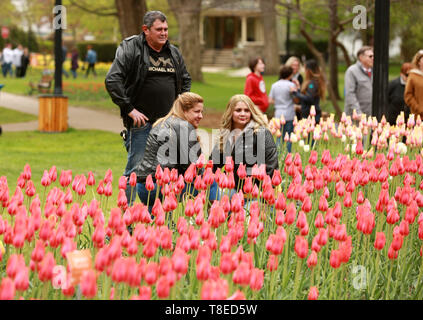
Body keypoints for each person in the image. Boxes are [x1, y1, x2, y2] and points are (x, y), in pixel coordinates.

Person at [105, 10, 191, 205]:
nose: (163, 33)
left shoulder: (173, 52)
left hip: (169, 124)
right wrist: (129, 109)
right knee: (135, 172)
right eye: (158, 29)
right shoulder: (130, 48)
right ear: (146, 30)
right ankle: (123, 223)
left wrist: (181, 109)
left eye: (166, 29)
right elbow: (113, 79)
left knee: (168, 172)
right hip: (142, 125)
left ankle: (159, 218)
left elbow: (185, 79)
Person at [135, 92, 204, 210]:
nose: (201, 116)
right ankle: (213, 218)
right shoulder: (183, 126)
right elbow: (193, 167)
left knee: (158, 223)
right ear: (184, 111)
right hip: (162, 187)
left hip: (143, 186)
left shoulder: (161, 122)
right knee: (210, 182)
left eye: (201, 112)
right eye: (197, 112)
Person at [210, 94, 279, 200]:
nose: (243, 114)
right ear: (230, 112)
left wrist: (266, 190)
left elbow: (272, 166)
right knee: (216, 203)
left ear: (251, 112)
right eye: (238, 110)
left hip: (255, 191)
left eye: (246, 110)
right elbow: (213, 164)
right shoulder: (226, 136)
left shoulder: (261, 133)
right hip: (232, 187)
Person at [269, 65, 297, 153]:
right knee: (288, 137)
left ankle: (278, 155)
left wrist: (278, 102)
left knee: (278, 137)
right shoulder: (291, 85)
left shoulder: (274, 85)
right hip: (289, 113)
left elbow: (270, 100)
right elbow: (296, 99)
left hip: (278, 113)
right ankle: (288, 155)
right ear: (290, 75)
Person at [290, 59, 326, 124]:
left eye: (305, 68)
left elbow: (309, 98)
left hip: (311, 115)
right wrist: (298, 89)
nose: (304, 71)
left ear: (309, 70)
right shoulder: (313, 81)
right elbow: (307, 95)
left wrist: (295, 92)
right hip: (309, 113)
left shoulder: (312, 83)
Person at [344, 46, 374, 118]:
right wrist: (358, 112)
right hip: (356, 117)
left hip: (371, 116)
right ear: (361, 57)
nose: (373, 58)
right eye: (370, 56)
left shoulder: (375, 71)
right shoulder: (352, 71)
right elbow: (350, 94)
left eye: (374, 56)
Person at [404, 50, 423, 120]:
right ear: (418, 62)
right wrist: (419, 109)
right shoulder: (413, 76)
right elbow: (408, 96)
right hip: (418, 117)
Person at [285, 56, 303, 120]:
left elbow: (301, 91)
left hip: (297, 103)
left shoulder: (300, 77)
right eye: (293, 65)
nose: (295, 67)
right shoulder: (284, 75)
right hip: (286, 103)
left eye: (297, 65)